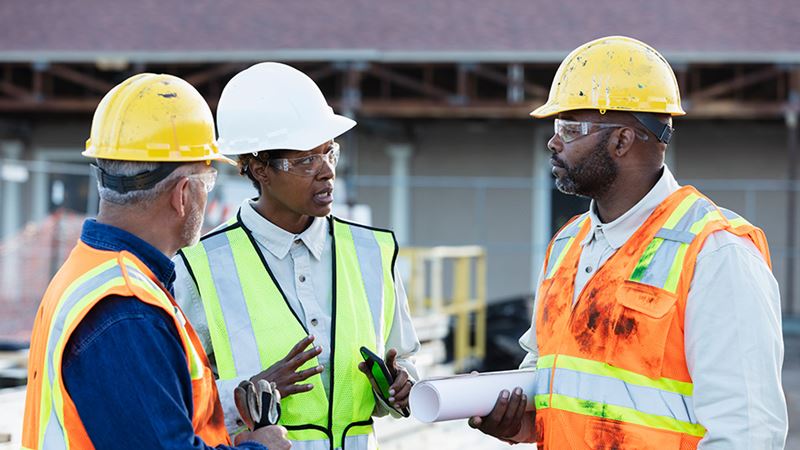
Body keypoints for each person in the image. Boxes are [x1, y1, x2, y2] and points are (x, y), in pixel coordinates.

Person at [468, 36, 787, 449]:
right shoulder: (568, 244)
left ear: (621, 141)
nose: (554, 142)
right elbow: (564, 387)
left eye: (569, 128)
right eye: (556, 127)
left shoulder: (715, 252)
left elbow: (748, 433)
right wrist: (521, 422)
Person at [21, 73, 291, 450]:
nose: (206, 198)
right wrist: (261, 447)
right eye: (207, 182)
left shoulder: (90, 273)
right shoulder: (127, 311)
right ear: (182, 194)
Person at [174, 62, 420, 450]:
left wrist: (401, 388)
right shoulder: (200, 268)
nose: (326, 172)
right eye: (306, 160)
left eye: (330, 153)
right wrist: (246, 395)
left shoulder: (373, 252)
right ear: (259, 169)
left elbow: (405, 361)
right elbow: (176, 397)